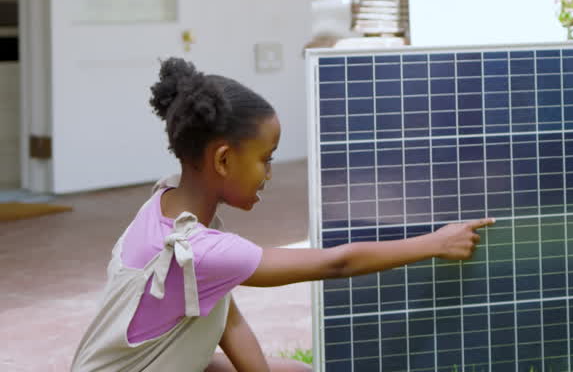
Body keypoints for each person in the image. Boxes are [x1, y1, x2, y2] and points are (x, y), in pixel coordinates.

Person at [71, 58, 494, 372]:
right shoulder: (198, 251)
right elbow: (337, 262)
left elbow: (223, 318)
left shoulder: (166, 205)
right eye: (265, 158)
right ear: (222, 160)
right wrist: (435, 242)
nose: (269, 173)